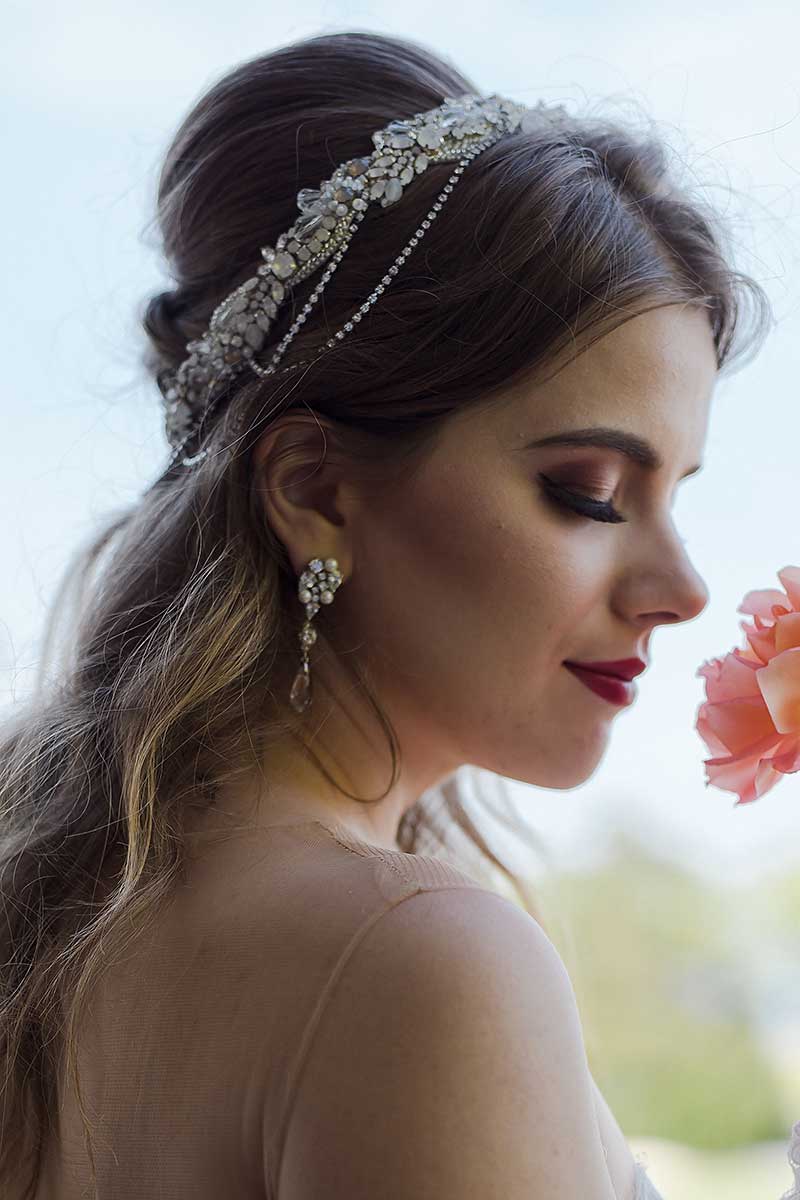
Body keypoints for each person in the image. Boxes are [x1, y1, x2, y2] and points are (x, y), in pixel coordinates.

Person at [0, 27, 784, 1200]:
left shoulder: (62, 928)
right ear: (314, 491)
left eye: (674, 497)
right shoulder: (416, 960)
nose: (680, 590)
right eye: (587, 494)